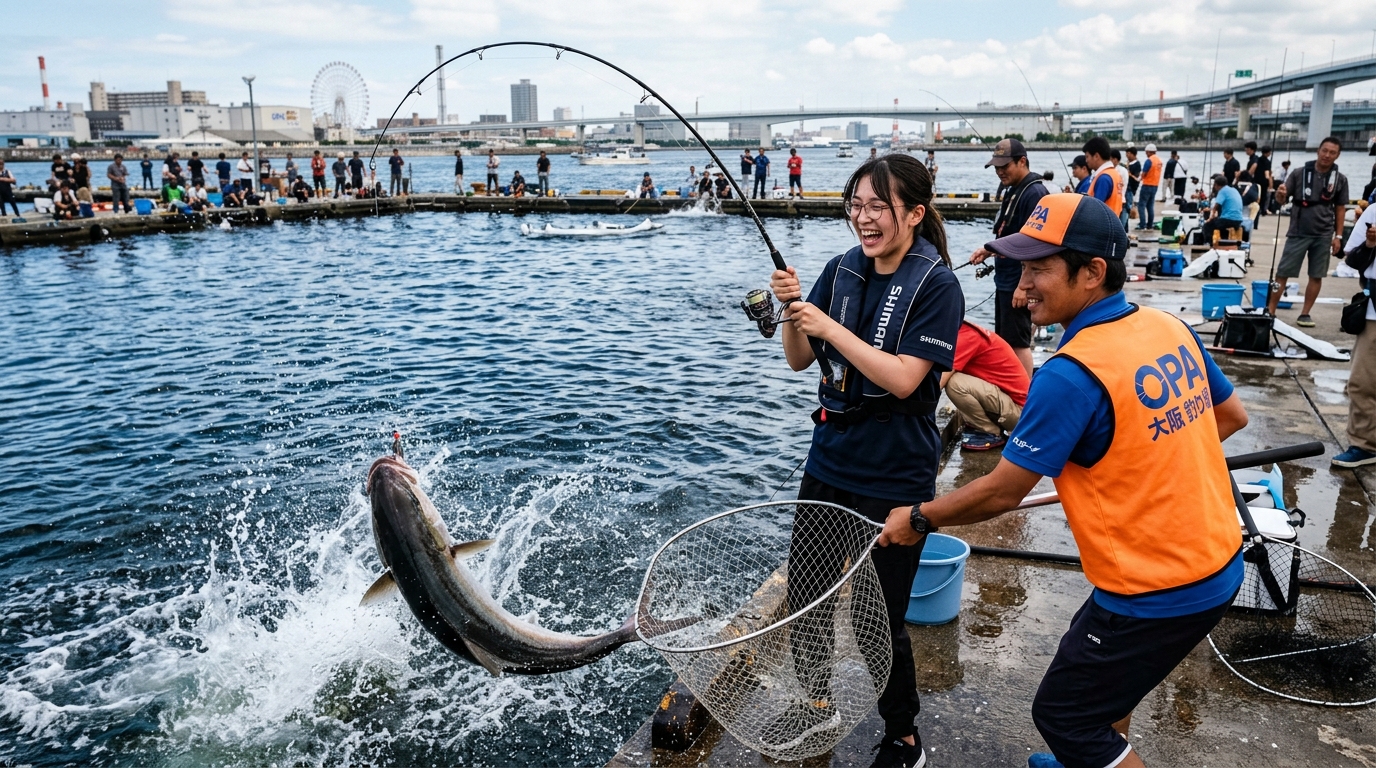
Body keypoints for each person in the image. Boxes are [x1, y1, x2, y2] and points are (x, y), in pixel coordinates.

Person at [878, 192, 1249, 768]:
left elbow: (1004, 490)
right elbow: (1228, 418)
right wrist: (1143, 465)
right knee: (1103, 684)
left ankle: (1091, 753)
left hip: (1155, 591)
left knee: (1064, 715)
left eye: (1039, 269)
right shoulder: (1165, 326)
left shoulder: (1070, 374)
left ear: (1093, 272)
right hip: (1219, 560)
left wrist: (919, 518)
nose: (1021, 288)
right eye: (1020, 268)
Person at [769, 152, 961, 768]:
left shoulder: (937, 284)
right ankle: (816, 703)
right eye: (856, 205)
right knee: (808, 597)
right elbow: (800, 359)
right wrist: (793, 313)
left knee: (881, 619)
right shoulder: (840, 269)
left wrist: (827, 326)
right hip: (831, 456)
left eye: (879, 206)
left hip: (896, 470)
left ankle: (904, 735)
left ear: (914, 213)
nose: (864, 218)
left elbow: (906, 380)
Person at [969, 138, 1047, 376]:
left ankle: (1024, 396)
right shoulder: (1014, 189)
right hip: (1005, 278)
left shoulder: (1034, 193)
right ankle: (1012, 388)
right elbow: (1013, 232)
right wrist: (990, 249)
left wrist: (1024, 287)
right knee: (1005, 339)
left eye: (1005, 166)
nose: (1000, 172)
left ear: (1022, 161)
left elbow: (1034, 244)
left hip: (1017, 279)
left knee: (1018, 341)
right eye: (996, 167)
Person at [1269, 136, 1349, 325]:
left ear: (1337, 156)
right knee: (1282, 272)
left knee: (1316, 274)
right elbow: (1281, 200)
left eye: (1332, 153)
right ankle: (1270, 311)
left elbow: (1340, 208)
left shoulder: (1340, 179)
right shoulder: (1298, 173)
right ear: (1318, 151)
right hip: (1298, 231)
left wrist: (1338, 236)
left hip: (1323, 233)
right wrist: (1280, 195)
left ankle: (1305, 313)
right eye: (1324, 151)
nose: (1327, 155)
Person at [944, 320, 1029, 450]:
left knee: (954, 383)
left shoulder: (965, 336)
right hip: (1020, 408)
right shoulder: (964, 330)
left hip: (1020, 413)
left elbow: (938, 382)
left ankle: (989, 432)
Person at [1333, 213, 1376, 467]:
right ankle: (1364, 444)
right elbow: (1353, 260)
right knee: (1362, 381)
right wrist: (1370, 245)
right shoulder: (1372, 212)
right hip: (1372, 311)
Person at [1082, 137, 1123, 217]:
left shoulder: (1103, 178)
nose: (1086, 161)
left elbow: (1096, 209)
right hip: (1114, 222)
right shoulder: (1115, 174)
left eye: (1087, 157)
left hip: (1102, 226)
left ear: (1096, 156)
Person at [1202, 173, 1245, 244]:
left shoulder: (1222, 191)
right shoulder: (1234, 190)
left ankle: (1208, 244)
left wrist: (1210, 219)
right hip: (1239, 220)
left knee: (1207, 226)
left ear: (1216, 185)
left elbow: (1215, 207)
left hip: (1229, 219)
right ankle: (1224, 243)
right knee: (1220, 225)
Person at [1138, 144, 1162, 230]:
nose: (1146, 154)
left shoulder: (1149, 160)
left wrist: (1140, 177)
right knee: (1150, 206)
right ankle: (1149, 225)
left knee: (1141, 205)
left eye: (1146, 152)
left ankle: (1142, 225)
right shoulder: (1159, 161)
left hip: (1147, 184)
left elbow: (1144, 173)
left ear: (1149, 152)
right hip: (1155, 185)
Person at [1109, 149, 1131, 231]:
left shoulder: (1120, 171)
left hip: (1120, 201)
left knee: (1119, 227)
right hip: (1121, 200)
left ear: (1114, 159)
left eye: (1109, 159)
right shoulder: (1121, 170)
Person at [1123, 148, 1142, 231]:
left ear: (1134, 154)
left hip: (1131, 188)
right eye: (1126, 154)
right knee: (1125, 207)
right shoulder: (1127, 163)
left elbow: (1137, 177)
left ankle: (1125, 227)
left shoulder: (1137, 164)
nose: (1127, 155)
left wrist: (1128, 173)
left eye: (1128, 153)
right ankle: (1125, 227)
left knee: (1127, 208)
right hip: (1126, 187)